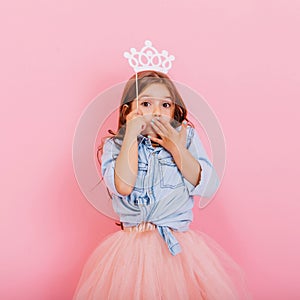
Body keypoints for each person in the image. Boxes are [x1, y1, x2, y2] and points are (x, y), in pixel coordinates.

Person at [72, 70, 251, 300]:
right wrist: (130, 135)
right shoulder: (115, 146)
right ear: (128, 111)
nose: (157, 112)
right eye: (146, 104)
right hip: (131, 252)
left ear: (175, 110)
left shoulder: (186, 139)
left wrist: (176, 148)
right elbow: (124, 186)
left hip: (179, 250)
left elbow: (208, 186)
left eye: (165, 105)